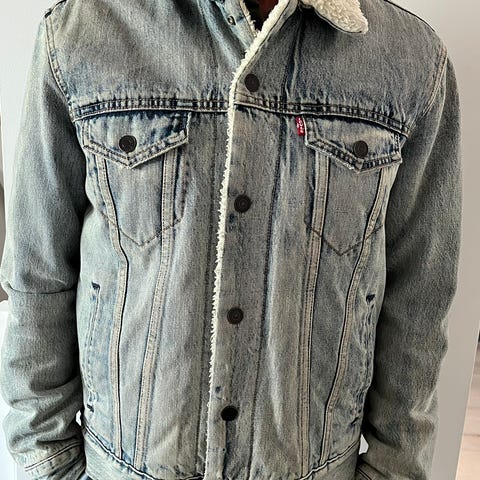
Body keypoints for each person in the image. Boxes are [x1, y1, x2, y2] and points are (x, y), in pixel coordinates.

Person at [0, 1, 462, 479]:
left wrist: (391, 470)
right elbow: (38, 275)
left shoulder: (410, 61)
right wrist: (49, 465)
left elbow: (418, 305)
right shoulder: (83, 34)